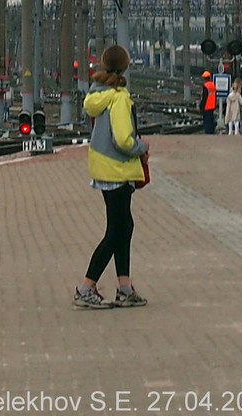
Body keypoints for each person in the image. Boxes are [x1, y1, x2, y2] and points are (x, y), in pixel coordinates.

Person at [75, 44, 149, 310]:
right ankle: (86, 287)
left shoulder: (98, 94)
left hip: (103, 167)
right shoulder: (118, 97)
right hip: (117, 168)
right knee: (116, 231)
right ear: (125, 65)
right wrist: (141, 147)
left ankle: (125, 287)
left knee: (124, 226)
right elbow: (122, 139)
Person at [199, 70, 217, 135]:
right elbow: (215, 96)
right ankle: (212, 131)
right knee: (211, 119)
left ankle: (208, 132)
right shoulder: (213, 85)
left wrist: (201, 106)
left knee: (207, 120)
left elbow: (204, 97)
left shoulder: (205, 86)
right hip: (212, 105)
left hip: (207, 106)